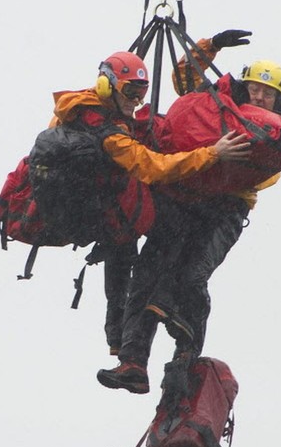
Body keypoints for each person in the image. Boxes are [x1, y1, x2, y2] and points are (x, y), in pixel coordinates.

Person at [96, 31, 281, 394]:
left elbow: (265, 177)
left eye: (268, 92)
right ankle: (132, 362)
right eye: (254, 88)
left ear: (280, 99)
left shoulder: (274, 139)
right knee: (147, 276)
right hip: (183, 194)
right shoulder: (219, 107)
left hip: (223, 209)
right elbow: (186, 82)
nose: (260, 95)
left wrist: (221, 160)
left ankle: (185, 356)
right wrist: (210, 46)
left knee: (191, 276)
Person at [51, 49, 251, 357]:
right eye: (130, 92)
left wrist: (207, 45)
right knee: (150, 243)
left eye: (141, 94)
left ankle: (120, 340)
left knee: (122, 260)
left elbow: (185, 78)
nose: (135, 101)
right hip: (104, 207)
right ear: (107, 86)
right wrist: (213, 154)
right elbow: (154, 168)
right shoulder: (110, 134)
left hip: (97, 204)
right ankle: (136, 329)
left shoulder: (76, 108)